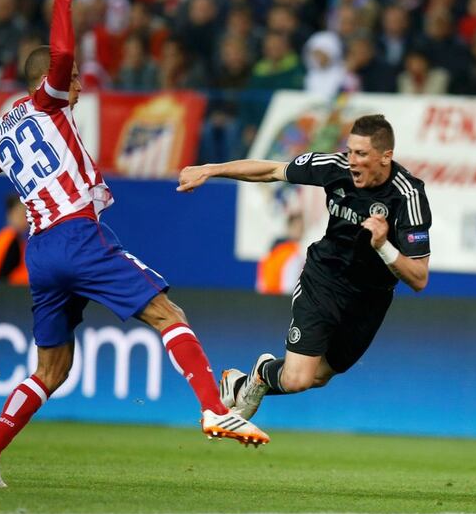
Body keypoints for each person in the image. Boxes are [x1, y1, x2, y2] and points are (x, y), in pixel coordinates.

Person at [0, 0, 267, 489]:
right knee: (168, 313)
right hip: (78, 234)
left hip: (40, 253)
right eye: (73, 80)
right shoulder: (46, 101)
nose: (76, 85)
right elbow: (60, 57)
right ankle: (213, 408)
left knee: (50, 372)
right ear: (46, 83)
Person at [177, 114, 431, 420]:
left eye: (361, 154)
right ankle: (258, 377)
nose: (351, 161)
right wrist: (211, 169)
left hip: (369, 300)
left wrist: (383, 246)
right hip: (324, 279)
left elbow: (419, 278)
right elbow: (271, 170)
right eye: (350, 150)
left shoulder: (408, 196)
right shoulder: (335, 167)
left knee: (318, 377)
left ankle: (250, 379)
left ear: (386, 156)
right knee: (298, 378)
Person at [256, 213, 305, 295]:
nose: (300, 230)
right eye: (296, 227)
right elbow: (289, 288)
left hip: (267, 301)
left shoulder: (273, 252)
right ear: (289, 228)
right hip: (280, 302)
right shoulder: (291, 255)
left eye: (301, 227)